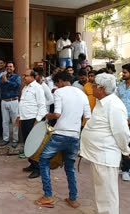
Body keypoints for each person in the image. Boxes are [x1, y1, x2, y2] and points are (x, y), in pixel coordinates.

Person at [36, 71, 91, 208]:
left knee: (43, 160)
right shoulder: (83, 94)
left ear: (60, 81)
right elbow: (88, 118)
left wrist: (48, 116)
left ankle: (48, 196)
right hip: (74, 136)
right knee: (70, 167)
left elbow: (57, 114)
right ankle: (73, 198)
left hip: (60, 135)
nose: (57, 86)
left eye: (57, 83)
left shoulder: (59, 92)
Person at [80, 73, 130, 214]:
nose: (92, 87)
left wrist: (126, 151)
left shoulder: (114, 106)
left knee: (107, 197)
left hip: (105, 157)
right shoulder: (102, 102)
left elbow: (122, 133)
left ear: (101, 89)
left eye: (94, 85)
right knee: (101, 195)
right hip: (98, 156)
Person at [19, 69, 47, 178]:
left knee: (34, 144)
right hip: (24, 119)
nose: (23, 77)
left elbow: (42, 106)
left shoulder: (38, 88)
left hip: (33, 119)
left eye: (26, 76)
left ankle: (38, 168)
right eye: (23, 75)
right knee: (27, 143)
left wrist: (38, 120)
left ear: (33, 77)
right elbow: (23, 103)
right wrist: (19, 116)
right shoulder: (25, 88)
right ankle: (32, 163)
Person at [0, 62, 21, 148]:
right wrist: (2, 81)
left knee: (14, 122)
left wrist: (7, 81)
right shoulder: (3, 76)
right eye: (7, 66)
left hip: (13, 101)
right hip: (4, 101)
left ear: (13, 68)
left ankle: (15, 140)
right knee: (5, 121)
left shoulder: (17, 77)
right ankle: (5, 139)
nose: (9, 68)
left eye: (11, 66)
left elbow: (17, 86)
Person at [116, 63, 130, 181]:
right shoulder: (120, 86)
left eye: (125, 72)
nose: (123, 74)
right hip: (121, 119)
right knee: (123, 143)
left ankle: (126, 169)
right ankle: (125, 169)